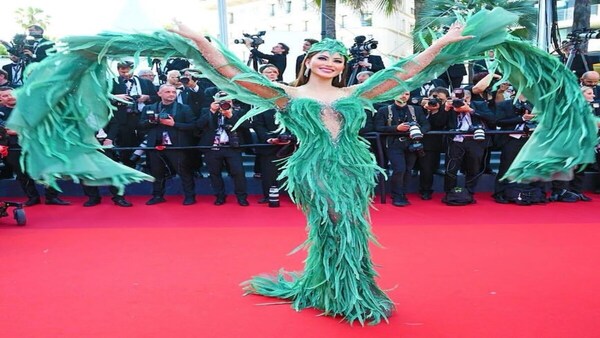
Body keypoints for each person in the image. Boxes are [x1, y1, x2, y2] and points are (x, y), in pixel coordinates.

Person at [168, 12, 476, 323]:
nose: (330, 63)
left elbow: (404, 71)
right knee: (334, 221)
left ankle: (342, 288)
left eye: (338, 60)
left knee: (351, 227)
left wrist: (443, 41)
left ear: (344, 67)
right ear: (309, 61)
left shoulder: (353, 93)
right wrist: (198, 39)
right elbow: (234, 72)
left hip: (354, 167)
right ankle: (343, 293)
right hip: (313, 168)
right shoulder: (288, 94)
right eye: (323, 57)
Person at [139, 84, 198, 206]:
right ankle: (157, 196)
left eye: (173, 92)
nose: (171, 94)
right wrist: (152, 121)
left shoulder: (184, 108)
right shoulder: (149, 108)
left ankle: (189, 196)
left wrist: (174, 124)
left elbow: (193, 126)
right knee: (156, 172)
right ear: (159, 94)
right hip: (155, 145)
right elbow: (140, 126)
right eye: (167, 92)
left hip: (177, 146)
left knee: (184, 172)